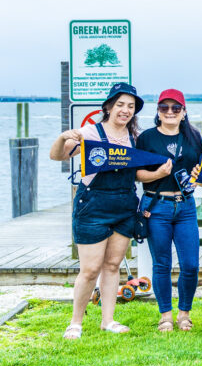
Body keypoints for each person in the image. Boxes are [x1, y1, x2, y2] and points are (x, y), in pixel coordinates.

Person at [49, 83, 145, 339]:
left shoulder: (135, 138)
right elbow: (57, 156)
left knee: (112, 265)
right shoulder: (90, 132)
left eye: (131, 106)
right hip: (93, 206)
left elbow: (138, 173)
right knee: (90, 269)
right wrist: (62, 139)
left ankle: (108, 320)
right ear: (109, 107)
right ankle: (75, 323)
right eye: (121, 104)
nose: (125, 110)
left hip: (124, 206)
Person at [135, 89, 202, 332]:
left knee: (191, 264)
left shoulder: (194, 137)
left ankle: (184, 313)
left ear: (184, 112)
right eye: (164, 107)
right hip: (157, 205)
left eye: (176, 108)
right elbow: (137, 173)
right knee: (161, 263)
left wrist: (198, 177)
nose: (170, 112)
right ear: (158, 111)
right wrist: (158, 174)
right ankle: (165, 314)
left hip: (185, 205)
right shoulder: (146, 138)